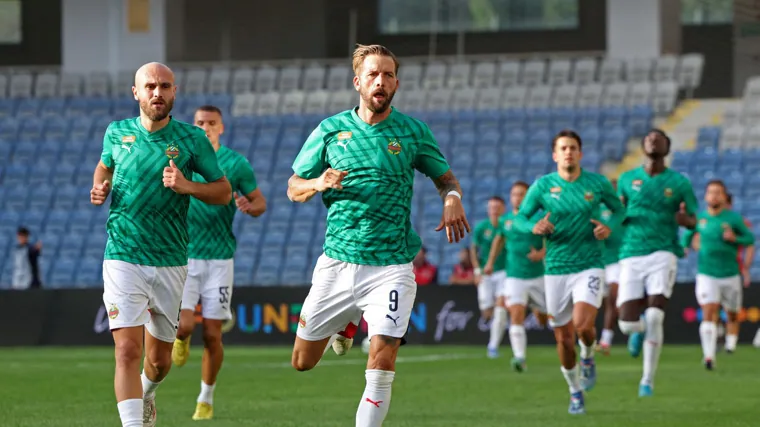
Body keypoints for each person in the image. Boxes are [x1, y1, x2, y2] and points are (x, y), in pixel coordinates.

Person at [286, 44, 470, 427]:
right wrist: (319, 181)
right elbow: (293, 187)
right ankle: (347, 321)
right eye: (373, 74)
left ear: (397, 83)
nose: (380, 81)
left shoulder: (412, 131)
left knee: (382, 361)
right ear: (358, 82)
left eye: (387, 75)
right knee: (302, 362)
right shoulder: (330, 130)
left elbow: (445, 178)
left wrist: (452, 197)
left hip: (392, 265)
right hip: (338, 262)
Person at [90, 62, 232, 427]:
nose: (157, 92)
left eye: (164, 86)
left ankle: (147, 392)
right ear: (135, 92)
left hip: (170, 259)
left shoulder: (192, 140)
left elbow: (222, 192)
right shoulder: (117, 133)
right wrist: (100, 187)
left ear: (174, 91)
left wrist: (187, 186)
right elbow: (104, 167)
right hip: (123, 254)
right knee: (126, 350)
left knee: (158, 363)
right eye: (150, 86)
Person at [514, 130, 624, 414]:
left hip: (589, 265)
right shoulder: (542, 186)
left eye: (573, 148)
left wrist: (607, 225)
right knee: (563, 339)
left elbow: (619, 210)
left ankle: (588, 355)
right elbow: (521, 219)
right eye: (563, 148)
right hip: (556, 269)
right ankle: (575, 391)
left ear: (580, 153)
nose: (568, 152)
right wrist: (533, 227)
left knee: (583, 326)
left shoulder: (597, 183)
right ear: (555, 155)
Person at [171, 105, 267, 420]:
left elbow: (260, 202)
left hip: (220, 259)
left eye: (212, 123)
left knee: (213, 334)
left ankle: (206, 398)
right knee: (185, 325)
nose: (206, 128)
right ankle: (182, 338)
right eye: (200, 123)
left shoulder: (236, 164)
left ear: (221, 128)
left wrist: (249, 206)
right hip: (185, 255)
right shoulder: (184, 160)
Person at [616, 129, 698, 398]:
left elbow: (695, 219)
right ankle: (635, 331)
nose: (653, 140)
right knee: (627, 324)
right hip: (631, 253)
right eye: (649, 138)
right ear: (642, 146)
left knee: (655, 315)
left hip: (663, 252)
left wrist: (686, 221)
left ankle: (647, 380)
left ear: (667, 147)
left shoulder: (679, 182)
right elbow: (617, 212)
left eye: (658, 138)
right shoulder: (627, 179)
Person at [681, 181, 754, 369]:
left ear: (724, 197)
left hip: (730, 274)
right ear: (705, 196)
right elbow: (688, 236)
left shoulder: (733, 219)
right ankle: (709, 356)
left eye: (718, 193)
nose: (714, 196)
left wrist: (735, 238)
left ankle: (731, 343)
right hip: (707, 273)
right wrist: (684, 247)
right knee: (709, 311)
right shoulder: (700, 219)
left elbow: (749, 239)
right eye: (710, 192)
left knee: (732, 313)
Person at [484, 180, 548, 372]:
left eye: (521, 194)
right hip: (514, 275)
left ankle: (539, 310)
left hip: (538, 276)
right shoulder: (506, 221)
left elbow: (551, 241)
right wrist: (489, 262)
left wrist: (541, 254)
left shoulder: (539, 218)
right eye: (514, 194)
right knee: (516, 314)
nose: (517, 198)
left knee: (544, 319)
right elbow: (498, 240)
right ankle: (519, 357)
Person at [471, 196, 508, 358]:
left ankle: (493, 346)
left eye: (497, 207)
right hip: (486, 273)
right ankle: (495, 324)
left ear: (503, 209)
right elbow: (473, 249)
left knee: (501, 308)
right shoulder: (481, 227)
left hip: (505, 272)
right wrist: (477, 271)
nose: (494, 210)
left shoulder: (507, 225)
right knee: (487, 310)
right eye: (491, 207)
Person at [596, 179, 624, 355]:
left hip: (618, 260)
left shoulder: (623, 212)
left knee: (614, 299)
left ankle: (606, 339)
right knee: (602, 303)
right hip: (598, 262)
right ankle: (637, 321)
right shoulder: (595, 211)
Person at [725, 193, 754, 353]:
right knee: (711, 307)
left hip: (733, 270)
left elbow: (750, 244)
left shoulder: (739, 222)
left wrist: (746, 267)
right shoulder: (708, 219)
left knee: (732, 310)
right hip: (712, 271)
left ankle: (731, 344)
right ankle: (713, 341)